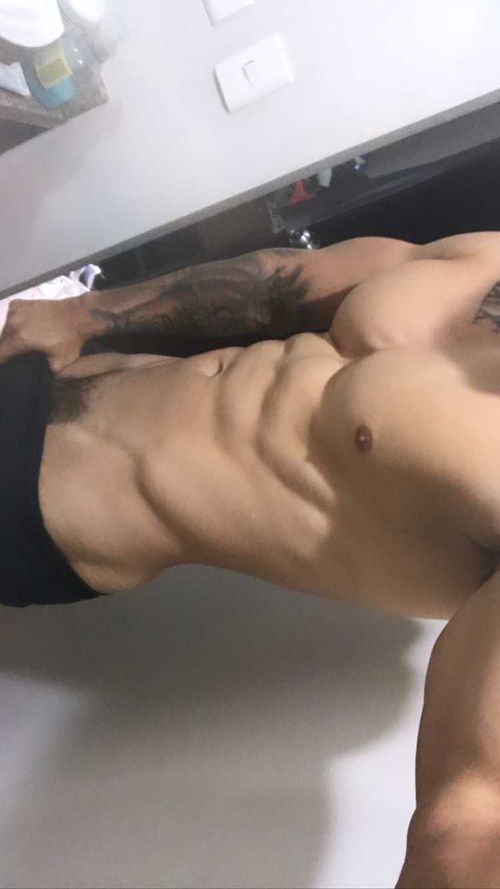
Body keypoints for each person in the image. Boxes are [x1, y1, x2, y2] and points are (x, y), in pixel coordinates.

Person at [2, 230, 500, 886]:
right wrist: (80, 314)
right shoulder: (489, 259)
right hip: (51, 370)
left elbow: (466, 824)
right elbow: (280, 286)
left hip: (39, 501)